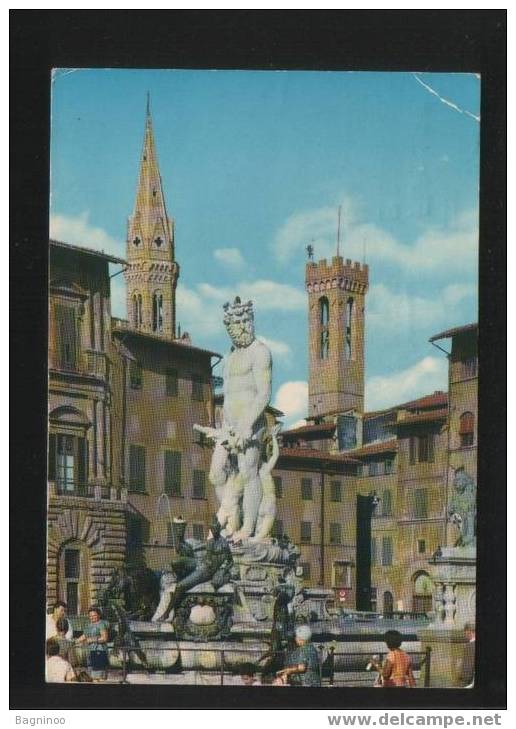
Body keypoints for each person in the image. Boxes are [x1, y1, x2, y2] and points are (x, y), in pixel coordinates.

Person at [76, 606, 110, 681]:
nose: (92, 617)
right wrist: (75, 641)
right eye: (90, 616)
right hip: (90, 652)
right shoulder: (89, 625)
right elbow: (85, 635)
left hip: (99, 652)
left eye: (94, 615)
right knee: (91, 676)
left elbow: (104, 638)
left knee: (99, 677)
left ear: (99, 615)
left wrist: (92, 640)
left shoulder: (101, 624)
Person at [458, 622, 475, 688]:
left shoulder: (470, 646)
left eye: (465, 632)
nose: (465, 634)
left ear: (469, 631)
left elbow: (468, 666)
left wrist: (462, 682)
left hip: (468, 682)